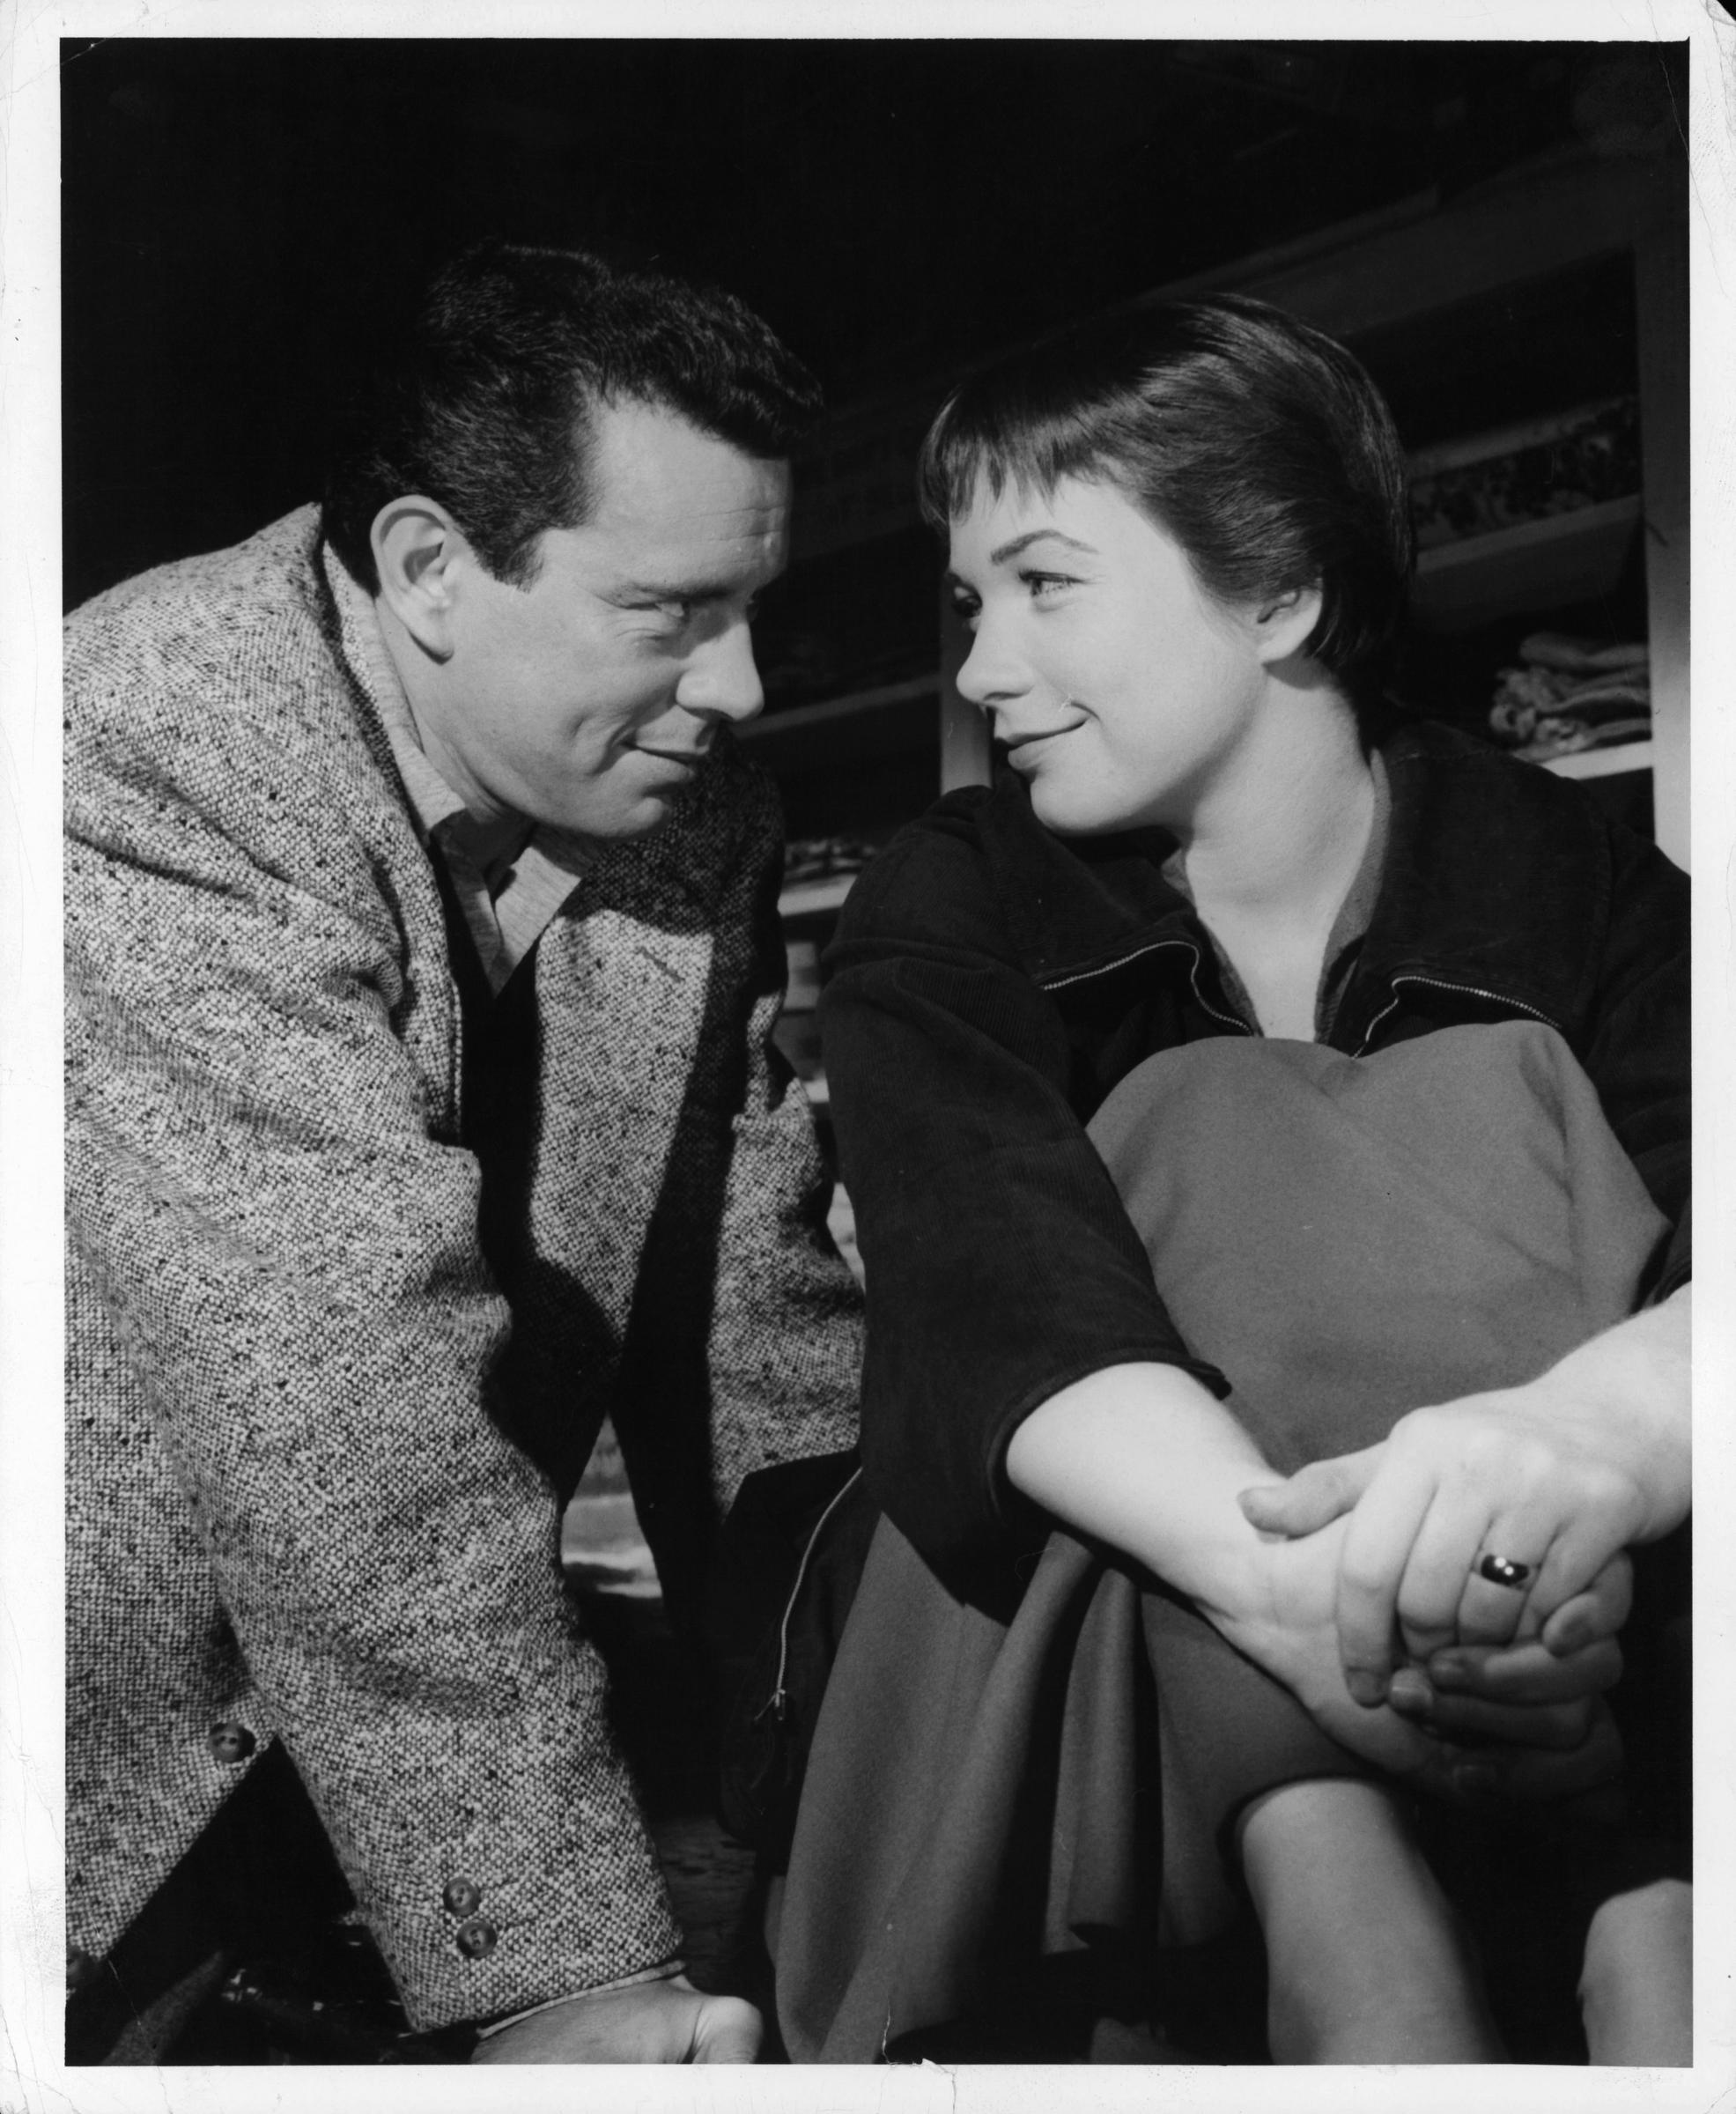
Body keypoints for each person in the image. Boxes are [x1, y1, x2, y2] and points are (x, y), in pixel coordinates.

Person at [772, 296, 1690, 2065]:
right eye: (969, 608)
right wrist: (1314, 1612)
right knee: (1213, 1121)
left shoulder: (1578, 886)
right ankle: (1548, 1895)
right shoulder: (953, 895)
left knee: (1478, 1096)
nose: (975, 670)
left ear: (1277, 594)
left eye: (1043, 586)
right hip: (1066, 1662)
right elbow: (987, 1283)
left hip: (1540, 1652)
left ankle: (1386, 1907)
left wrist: (1578, 1452)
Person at [63, 240, 862, 2065]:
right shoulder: (139, 744)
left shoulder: (683, 803)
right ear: (430, 569)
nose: (735, 683)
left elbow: (753, 1331)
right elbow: (333, 1398)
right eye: (667, 611)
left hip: (364, 1746)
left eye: (753, 608)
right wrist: (562, 1972)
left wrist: (879, 1741)